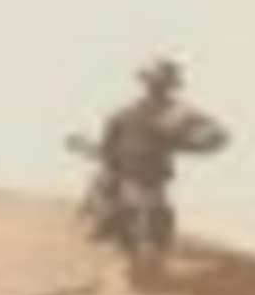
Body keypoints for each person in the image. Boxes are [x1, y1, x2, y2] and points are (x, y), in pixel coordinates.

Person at [80, 57, 227, 259]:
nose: (155, 87)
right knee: (105, 200)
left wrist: (188, 145)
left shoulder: (177, 113)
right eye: (154, 82)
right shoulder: (126, 113)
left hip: (150, 181)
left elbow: (217, 135)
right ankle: (109, 231)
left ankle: (130, 242)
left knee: (150, 221)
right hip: (127, 178)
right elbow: (108, 149)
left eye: (160, 83)